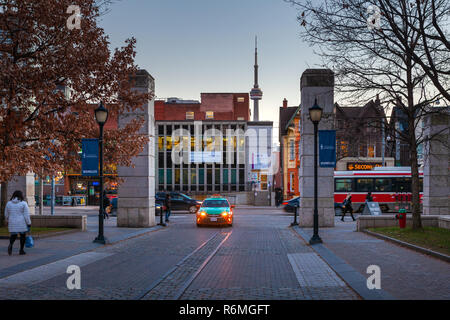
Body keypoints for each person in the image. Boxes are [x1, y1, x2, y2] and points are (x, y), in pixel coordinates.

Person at [5, 190, 31, 256]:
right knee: (22, 236)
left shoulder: (9, 203)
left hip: (12, 221)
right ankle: (21, 250)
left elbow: (6, 214)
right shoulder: (24, 203)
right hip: (21, 222)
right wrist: (29, 223)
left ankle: (10, 245)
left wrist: (7, 220)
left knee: (13, 235)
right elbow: (26, 215)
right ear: (21, 195)